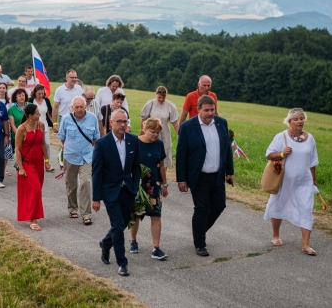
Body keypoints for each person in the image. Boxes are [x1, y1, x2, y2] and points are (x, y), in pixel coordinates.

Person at [176, 95, 234, 257]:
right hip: (198, 176)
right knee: (202, 208)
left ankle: (199, 230)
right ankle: (200, 243)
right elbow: (181, 155)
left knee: (219, 206)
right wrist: (181, 179)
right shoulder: (188, 127)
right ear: (199, 109)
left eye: (212, 110)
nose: (210, 113)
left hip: (217, 174)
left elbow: (227, 150)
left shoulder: (221, 123)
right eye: (207, 110)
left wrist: (230, 171)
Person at [263, 108, 319, 256]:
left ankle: (305, 245)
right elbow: (269, 154)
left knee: (306, 209)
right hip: (284, 181)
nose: (300, 121)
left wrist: (313, 181)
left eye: (302, 118)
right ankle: (275, 235)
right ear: (289, 122)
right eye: (296, 119)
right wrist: (282, 153)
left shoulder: (310, 138)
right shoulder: (281, 137)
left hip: (304, 181)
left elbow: (313, 161)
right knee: (278, 205)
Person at [92, 109, 141, 277]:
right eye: (119, 121)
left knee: (123, 222)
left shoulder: (133, 141)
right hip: (110, 191)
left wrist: (134, 184)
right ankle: (122, 262)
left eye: (125, 121)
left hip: (128, 189)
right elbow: (97, 172)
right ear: (111, 123)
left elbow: (136, 166)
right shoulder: (102, 143)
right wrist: (96, 198)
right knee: (119, 226)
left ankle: (105, 243)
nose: (122, 125)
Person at [129, 118, 169, 259]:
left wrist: (164, 184)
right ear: (144, 129)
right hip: (138, 185)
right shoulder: (135, 143)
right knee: (136, 215)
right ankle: (133, 241)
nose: (155, 135)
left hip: (155, 185)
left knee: (156, 215)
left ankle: (156, 248)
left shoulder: (159, 144)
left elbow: (162, 165)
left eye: (158, 132)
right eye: (153, 132)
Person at [58, 96, 100, 225]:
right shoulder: (66, 119)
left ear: (85, 106)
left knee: (86, 183)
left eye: (82, 107)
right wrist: (70, 147)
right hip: (70, 156)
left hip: (87, 156)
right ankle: (72, 208)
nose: (79, 109)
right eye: (77, 107)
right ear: (72, 107)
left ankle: (86, 214)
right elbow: (62, 137)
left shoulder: (93, 118)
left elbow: (96, 137)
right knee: (71, 185)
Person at [15, 104, 51, 231]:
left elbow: (43, 144)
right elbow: (17, 150)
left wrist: (46, 160)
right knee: (35, 189)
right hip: (27, 163)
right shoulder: (22, 128)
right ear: (30, 116)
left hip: (38, 162)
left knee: (37, 189)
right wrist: (21, 168)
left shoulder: (40, 125)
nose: (39, 115)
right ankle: (33, 219)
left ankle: (32, 214)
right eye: (37, 113)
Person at [140, 86, 179, 168]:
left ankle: (163, 177)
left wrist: (179, 134)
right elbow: (143, 119)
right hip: (151, 133)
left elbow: (175, 122)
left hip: (164, 134)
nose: (161, 99)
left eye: (163, 97)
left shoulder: (170, 105)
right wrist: (142, 133)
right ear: (156, 95)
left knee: (164, 154)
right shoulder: (150, 104)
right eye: (159, 97)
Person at [30, 84, 53, 165]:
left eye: (42, 94)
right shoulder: (31, 101)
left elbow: (50, 114)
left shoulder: (46, 101)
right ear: (35, 93)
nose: (40, 95)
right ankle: (34, 161)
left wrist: (54, 124)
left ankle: (47, 162)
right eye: (39, 94)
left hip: (44, 126)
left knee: (46, 144)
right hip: (33, 127)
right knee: (34, 145)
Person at [8, 88, 29, 155]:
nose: (21, 97)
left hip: (30, 134)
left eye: (23, 95)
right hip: (17, 135)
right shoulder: (11, 109)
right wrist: (19, 135)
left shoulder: (30, 106)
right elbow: (12, 125)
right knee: (20, 154)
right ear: (16, 98)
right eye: (19, 96)